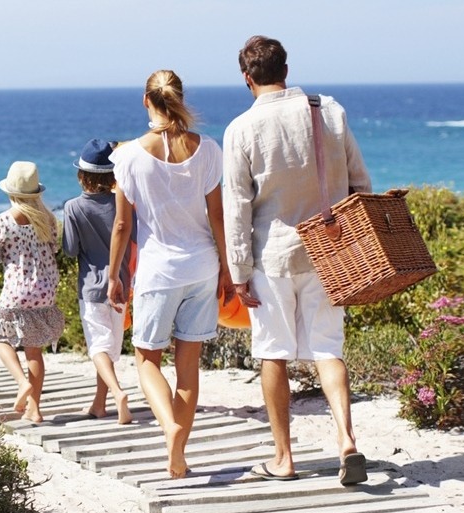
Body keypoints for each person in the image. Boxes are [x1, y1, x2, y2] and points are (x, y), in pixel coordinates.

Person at [220, 35, 374, 485]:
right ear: (286, 69)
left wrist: (238, 272)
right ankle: (346, 440)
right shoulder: (329, 111)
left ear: (247, 79)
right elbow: (360, 183)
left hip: (273, 257)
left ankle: (284, 458)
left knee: (273, 353)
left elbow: (237, 208)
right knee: (329, 349)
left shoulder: (241, 129)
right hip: (330, 253)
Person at [106, 70, 230, 479]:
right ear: (178, 97)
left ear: (146, 101)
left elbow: (123, 226)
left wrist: (113, 275)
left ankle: (169, 428)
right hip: (202, 267)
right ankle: (179, 454)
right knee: (188, 367)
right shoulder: (208, 149)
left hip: (159, 272)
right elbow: (217, 216)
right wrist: (228, 269)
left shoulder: (126, 156)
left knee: (146, 360)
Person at [0, 161, 65, 424]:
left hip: (17, 291)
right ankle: (34, 409)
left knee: (0, 337)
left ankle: (22, 383)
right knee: (34, 351)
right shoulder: (49, 220)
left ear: (10, 192)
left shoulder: (2, 221)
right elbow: (52, 250)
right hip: (45, 291)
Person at [61, 139, 132, 424]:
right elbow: (132, 238)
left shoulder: (73, 207)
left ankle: (116, 393)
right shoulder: (123, 203)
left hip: (91, 286)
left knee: (98, 347)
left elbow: (69, 249)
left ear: (82, 175)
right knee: (111, 347)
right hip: (122, 283)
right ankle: (99, 404)